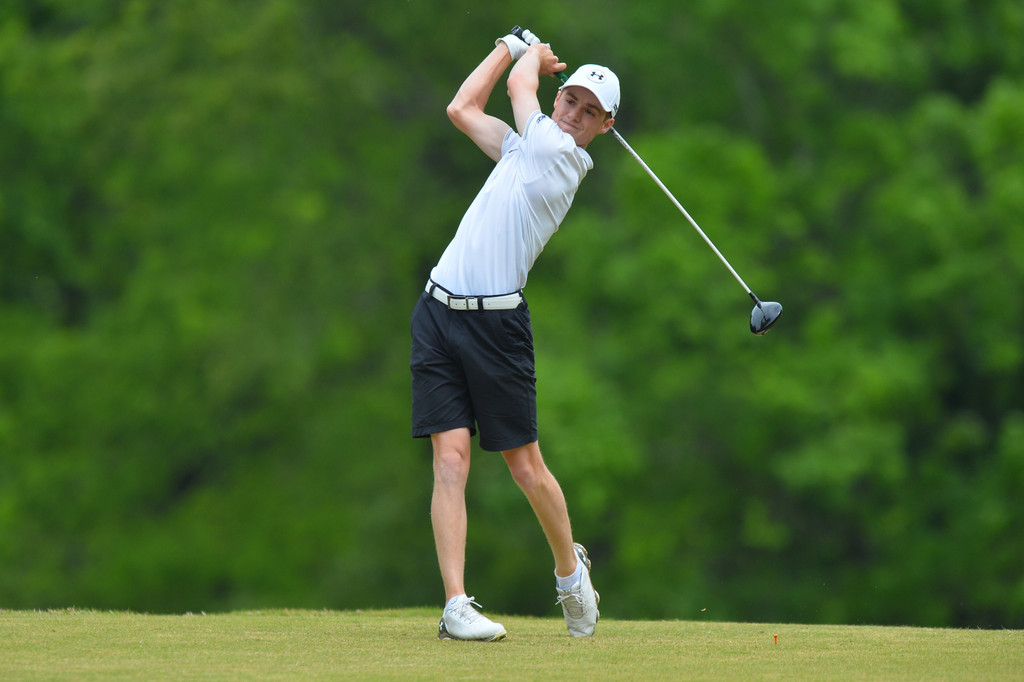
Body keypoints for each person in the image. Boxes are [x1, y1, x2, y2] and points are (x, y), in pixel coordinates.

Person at [410, 27, 619, 641]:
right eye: (571, 99)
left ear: (604, 127)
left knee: (525, 467)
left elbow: (518, 88)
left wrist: (529, 55)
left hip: (496, 327)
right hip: (437, 310)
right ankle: (455, 606)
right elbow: (461, 108)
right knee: (450, 460)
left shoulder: (559, 157)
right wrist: (507, 46)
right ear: (561, 99)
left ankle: (570, 575)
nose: (574, 113)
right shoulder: (523, 148)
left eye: (590, 112)